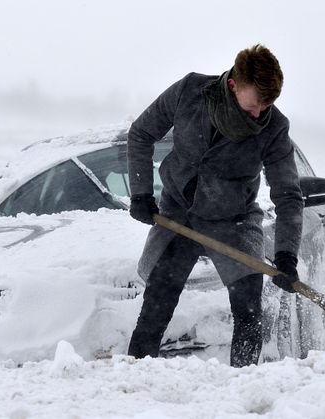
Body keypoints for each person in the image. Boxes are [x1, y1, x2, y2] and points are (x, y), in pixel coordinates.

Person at [126, 44, 304, 367]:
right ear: (233, 84)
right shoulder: (190, 92)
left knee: (250, 309)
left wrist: (286, 256)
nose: (258, 115)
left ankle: (243, 383)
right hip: (180, 212)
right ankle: (135, 374)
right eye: (254, 105)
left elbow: (289, 194)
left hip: (233, 220)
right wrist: (140, 193)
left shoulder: (274, 128)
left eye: (266, 106)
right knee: (158, 298)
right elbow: (140, 133)